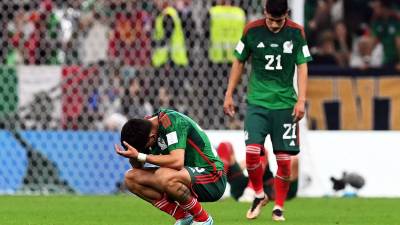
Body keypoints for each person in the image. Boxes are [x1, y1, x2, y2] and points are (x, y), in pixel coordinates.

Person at [223, 0, 312, 221]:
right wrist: (229, 93)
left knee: (284, 160)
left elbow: (302, 65)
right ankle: (259, 194)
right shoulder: (252, 30)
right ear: (265, 13)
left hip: (285, 105)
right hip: (257, 103)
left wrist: (301, 100)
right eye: (271, 20)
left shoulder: (296, 32)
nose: (274, 25)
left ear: (287, 15)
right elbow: (239, 61)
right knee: (252, 153)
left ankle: (278, 207)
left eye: (279, 20)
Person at [114, 108, 226, 225]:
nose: (143, 151)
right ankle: (183, 216)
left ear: (151, 137)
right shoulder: (145, 130)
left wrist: (141, 155)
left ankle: (203, 219)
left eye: (142, 148)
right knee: (131, 178)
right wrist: (133, 154)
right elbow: (138, 167)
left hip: (212, 177)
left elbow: (177, 162)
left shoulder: (173, 122)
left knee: (164, 175)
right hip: (184, 178)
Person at [216, 142, 298, 202]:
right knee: (225, 146)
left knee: (261, 151)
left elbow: (294, 161)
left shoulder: (288, 190)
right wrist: (249, 164)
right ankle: (218, 188)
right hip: (244, 188)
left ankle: (250, 192)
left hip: (262, 190)